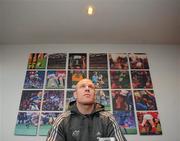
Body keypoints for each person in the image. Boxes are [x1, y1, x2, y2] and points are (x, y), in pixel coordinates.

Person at [46, 78, 127, 141]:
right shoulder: (62, 120)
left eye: (91, 87)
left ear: (94, 95)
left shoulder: (108, 119)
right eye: (82, 86)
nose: (87, 89)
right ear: (75, 94)